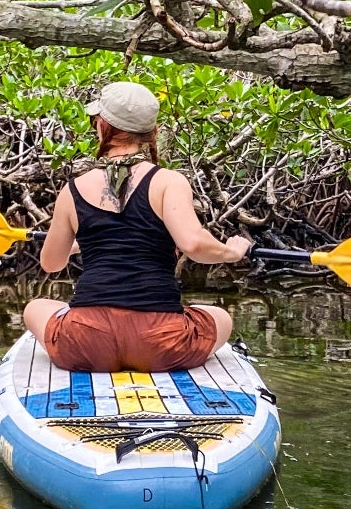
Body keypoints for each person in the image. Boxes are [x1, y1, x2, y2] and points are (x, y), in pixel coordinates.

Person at [22, 81, 253, 374]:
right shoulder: (169, 181)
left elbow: (51, 263)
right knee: (219, 317)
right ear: (151, 132)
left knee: (35, 308)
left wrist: (85, 243)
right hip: (160, 343)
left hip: (86, 342)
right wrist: (231, 253)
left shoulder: (73, 190)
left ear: (102, 126)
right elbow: (193, 244)